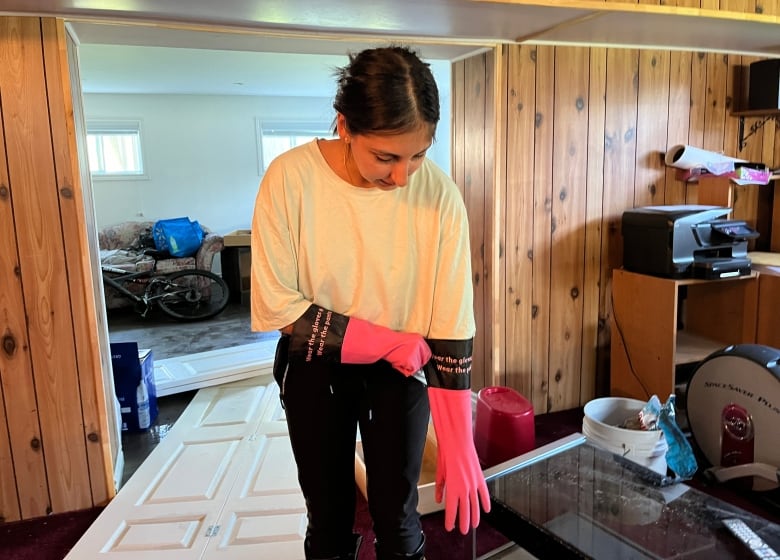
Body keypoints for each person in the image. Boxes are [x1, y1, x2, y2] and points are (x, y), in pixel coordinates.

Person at [250, 45, 490, 560]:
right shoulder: (289, 179)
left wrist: (458, 440)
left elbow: (450, 322)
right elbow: (278, 306)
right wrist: (385, 341)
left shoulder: (440, 195)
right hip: (315, 365)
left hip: (402, 374)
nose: (403, 177)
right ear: (344, 126)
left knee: (398, 515)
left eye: (418, 155)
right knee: (329, 514)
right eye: (386, 157)